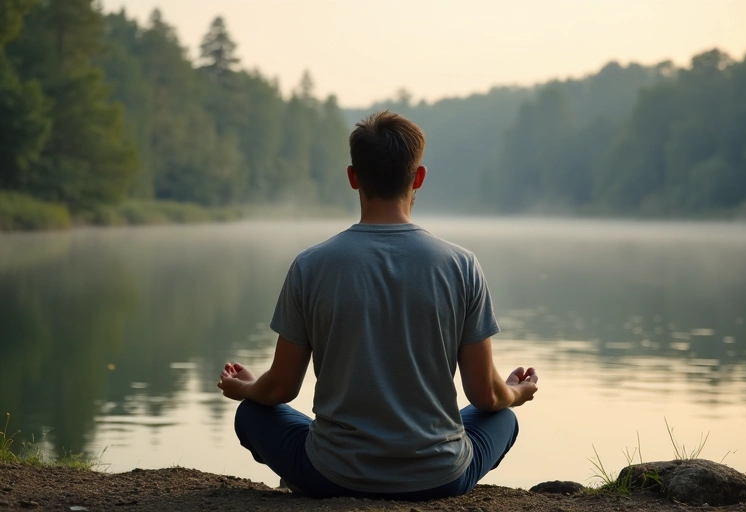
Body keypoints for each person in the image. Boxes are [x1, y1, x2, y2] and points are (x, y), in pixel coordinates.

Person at [217, 110, 538, 500]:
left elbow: (281, 388)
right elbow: (486, 397)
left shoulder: (311, 265)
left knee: (251, 414)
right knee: (501, 416)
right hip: (439, 477)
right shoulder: (462, 266)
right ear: (418, 177)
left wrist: (247, 388)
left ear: (353, 177)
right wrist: (516, 393)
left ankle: (305, 479)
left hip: (333, 474)